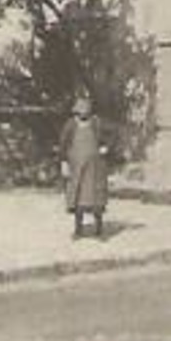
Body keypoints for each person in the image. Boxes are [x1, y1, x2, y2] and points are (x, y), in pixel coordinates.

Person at [60, 95, 109, 240]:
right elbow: (63, 145)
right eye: (80, 110)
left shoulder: (96, 123)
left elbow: (105, 139)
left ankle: (99, 229)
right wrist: (64, 162)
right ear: (76, 111)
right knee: (78, 199)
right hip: (77, 168)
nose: (83, 113)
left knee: (96, 199)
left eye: (86, 110)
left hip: (94, 168)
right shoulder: (70, 125)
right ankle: (78, 230)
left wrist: (104, 148)